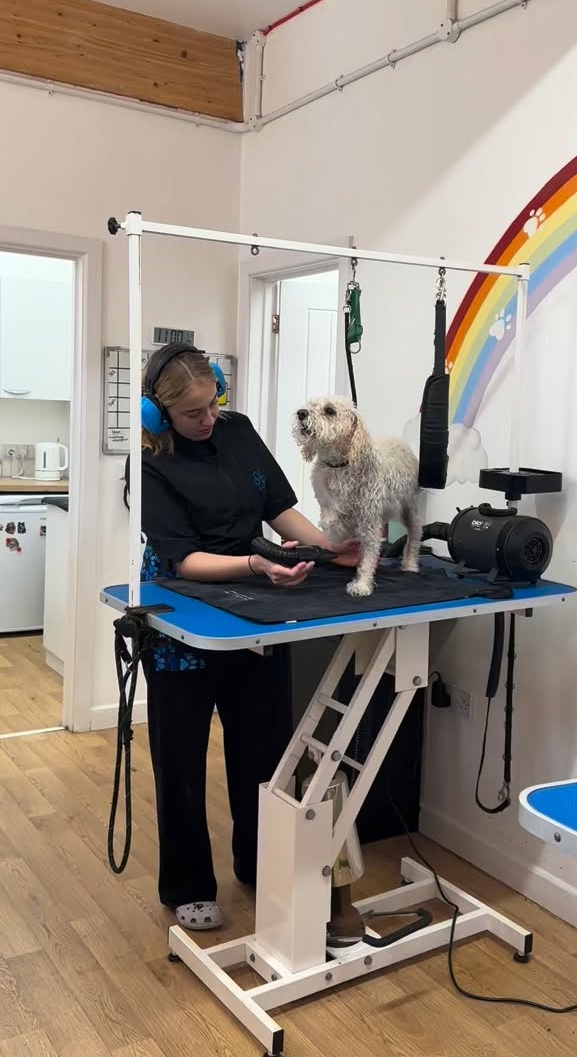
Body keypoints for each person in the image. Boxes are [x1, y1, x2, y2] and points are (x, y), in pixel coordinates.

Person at [134, 343, 359, 932]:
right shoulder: (149, 461)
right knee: (180, 758)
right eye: (192, 413)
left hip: (260, 605)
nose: (209, 420)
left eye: (214, 404)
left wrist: (329, 549)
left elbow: (280, 508)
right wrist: (256, 565)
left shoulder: (238, 431)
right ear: (159, 416)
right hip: (184, 618)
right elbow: (182, 561)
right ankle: (187, 884)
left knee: (264, 750)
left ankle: (260, 863)